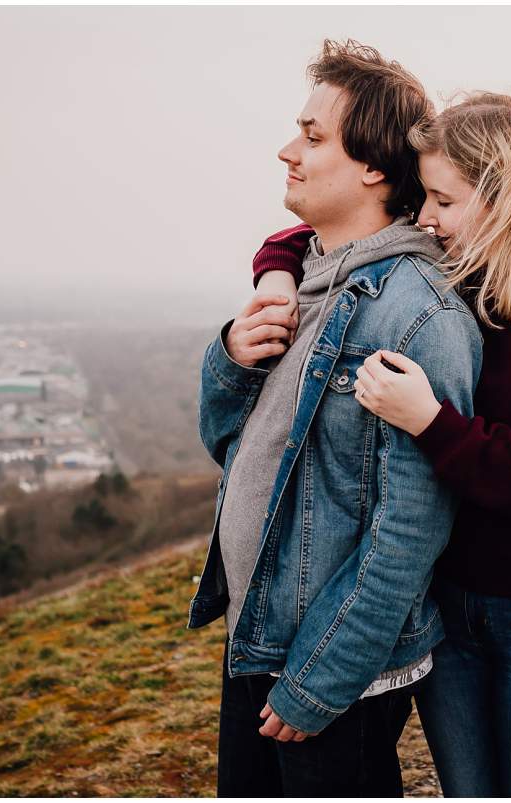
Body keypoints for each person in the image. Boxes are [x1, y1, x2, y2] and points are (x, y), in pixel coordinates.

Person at [251, 91, 511, 797]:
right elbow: (312, 236)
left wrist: (429, 420)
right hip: (453, 612)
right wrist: (278, 276)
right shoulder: (463, 280)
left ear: (506, 195)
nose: (425, 218)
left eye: (442, 200)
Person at [185, 40, 482, 797]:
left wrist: (322, 679)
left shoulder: (420, 316)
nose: (288, 151)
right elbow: (231, 445)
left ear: (375, 166)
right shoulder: (304, 285)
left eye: (314, 137)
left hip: (335, 670)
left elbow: (411, 529)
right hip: (259, 641)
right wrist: (231, 356)